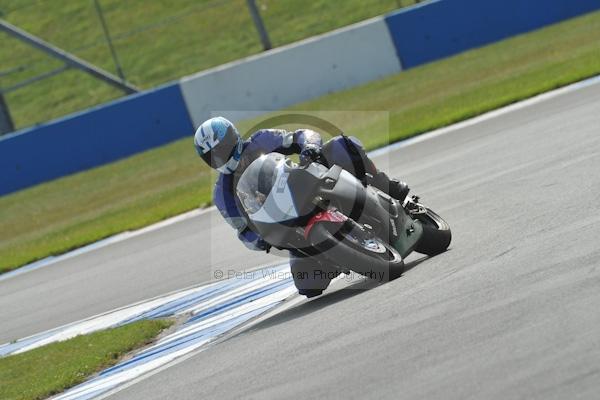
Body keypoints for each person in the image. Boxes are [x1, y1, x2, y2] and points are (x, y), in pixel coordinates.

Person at [194, 116, 409, 297]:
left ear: (233, 138)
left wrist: (310, 147)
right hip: (289, 227)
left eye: (221, 149)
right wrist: (261, 240)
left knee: (339, 145)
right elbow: (243, 230)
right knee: (308, 285)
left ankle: (384, 184)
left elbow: (300, 136)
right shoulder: (222, 194)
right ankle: (339, 255)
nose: (219, 157)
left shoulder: (262, 140)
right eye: (211, 156)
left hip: (305, 185)